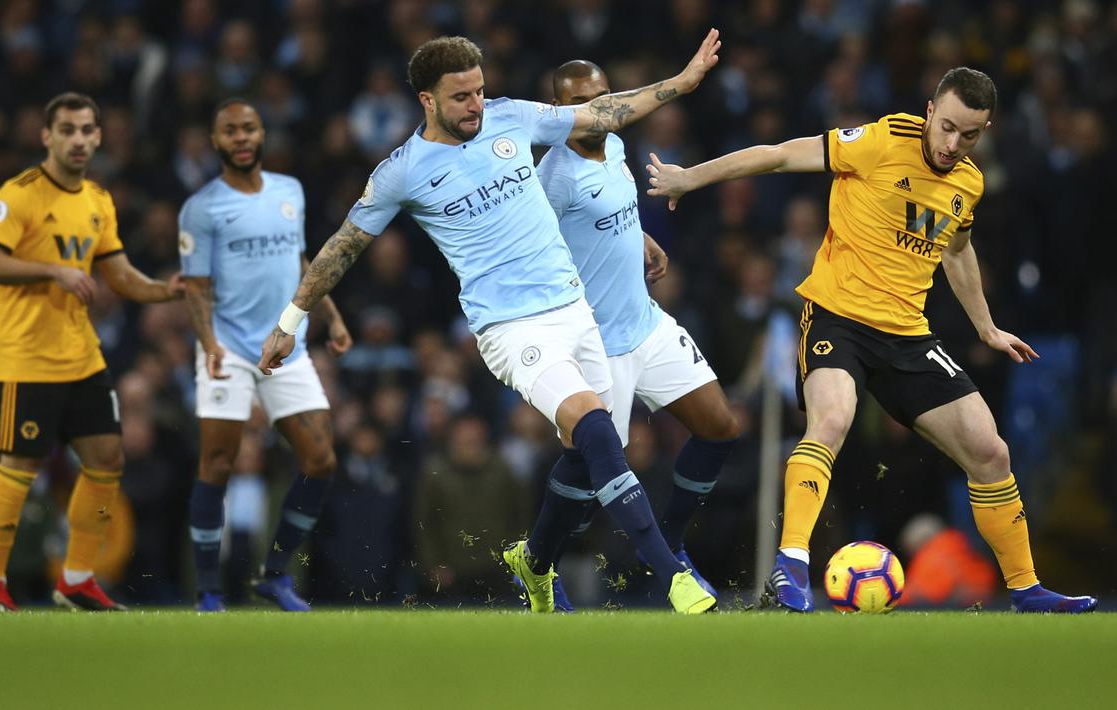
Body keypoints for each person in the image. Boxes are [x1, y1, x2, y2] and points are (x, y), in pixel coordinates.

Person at [258, 32, 724, 614]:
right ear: (427, 100)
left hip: (574, 311)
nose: (476, 105)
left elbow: (601, 111)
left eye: (479, 91)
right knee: (597, 428)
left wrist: (681, 83)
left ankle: (533, 562)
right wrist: (291, 318)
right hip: (511, 329)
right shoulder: (402, 172)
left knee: (585, 456)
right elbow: (342, 247)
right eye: (461, 97)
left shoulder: (511, 118)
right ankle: (672, 573)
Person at [646, 67, 1096, 613]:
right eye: (947, 127)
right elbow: (782, 154)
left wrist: (986, 327)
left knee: (991, 450)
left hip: (907, 335)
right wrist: (690, 178)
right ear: (930, 112)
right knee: (831, 420)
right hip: (837, 318)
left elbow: (956, 250)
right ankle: (789, 568)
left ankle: (1026, 589)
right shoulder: (881, 141)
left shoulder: (969, 182)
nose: (953, 145)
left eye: (970, 135)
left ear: (986, 130)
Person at [519, 60, 741, 611]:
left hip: (646, 323)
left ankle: (670, 542)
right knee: (587, 471)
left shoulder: (615, 148)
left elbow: (607, 210)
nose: (597, 111)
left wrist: (638, 235)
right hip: (598, 345)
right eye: (582, 104)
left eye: (602, 97)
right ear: (560, 114)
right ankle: (537, 564)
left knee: (719, 428)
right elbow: (529, 254)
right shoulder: (553, 178)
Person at [0, 92, 184, 611]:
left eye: (88, 130)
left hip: (82, 356)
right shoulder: (19, 194)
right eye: (67, 130)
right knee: (20, 465)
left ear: (99, 136)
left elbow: (119, 274)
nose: (79, 139)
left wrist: (164, 290)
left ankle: (77, 579)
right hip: (29, 356)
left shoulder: (98, 201)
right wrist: (54, 271)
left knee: (107, 458)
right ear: (47, 137)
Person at [179, 99, 353, 612]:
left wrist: (332, 317)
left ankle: (274, 574)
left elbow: (301, 261)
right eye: (229, 130)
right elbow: (194, 286)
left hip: (285, 343)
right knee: (217, 463)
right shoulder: (201, 208)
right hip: (228, 349)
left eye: (249, 128)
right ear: (216, 142)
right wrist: (209, 345)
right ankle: (209, 589)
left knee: (320, 461)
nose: (241, 137)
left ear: (261, 134)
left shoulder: (289, 191)